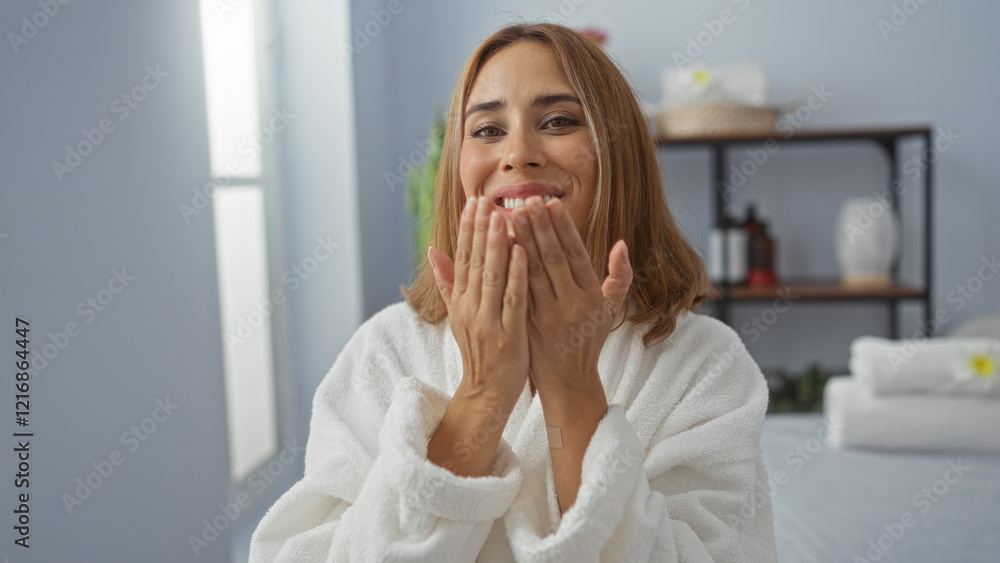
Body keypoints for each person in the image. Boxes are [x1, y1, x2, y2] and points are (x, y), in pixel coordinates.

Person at [250, 22, 777, 562]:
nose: (518, 154)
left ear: (620, 156)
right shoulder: (383, 351)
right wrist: (481, 391)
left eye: (558, 121)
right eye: (485, 130)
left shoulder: (703, 364)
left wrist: (573, 385)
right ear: (459, 168)